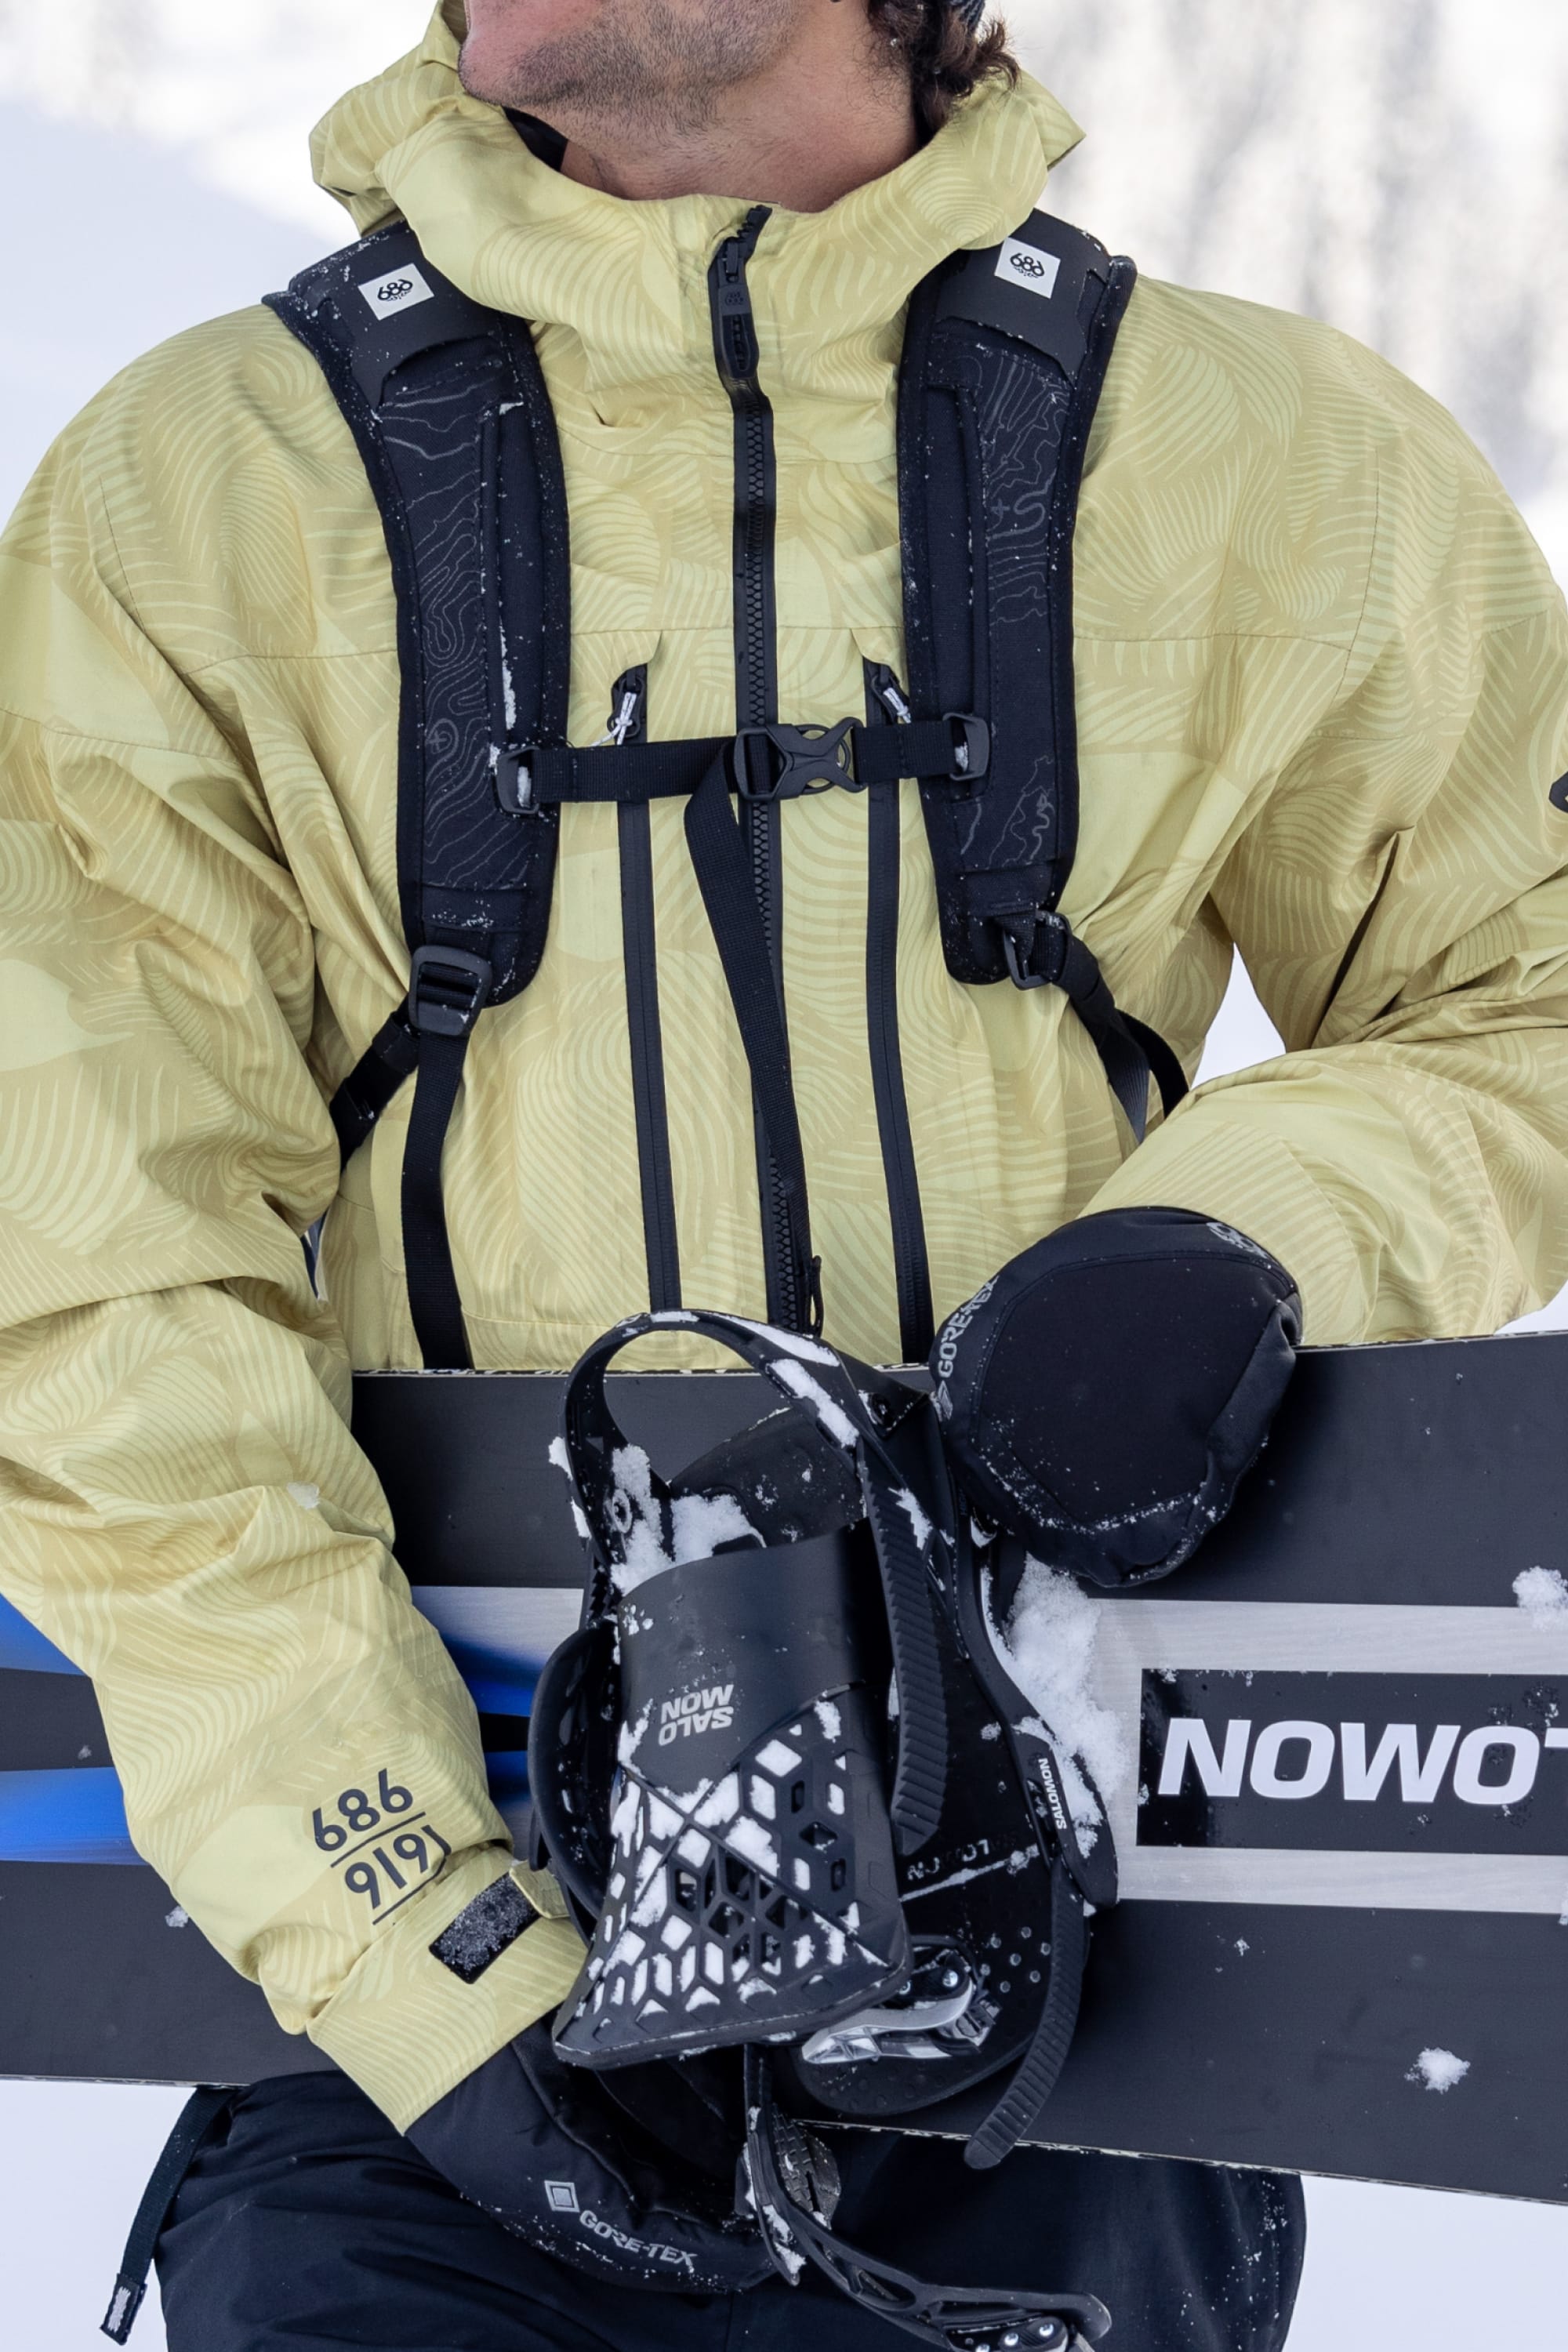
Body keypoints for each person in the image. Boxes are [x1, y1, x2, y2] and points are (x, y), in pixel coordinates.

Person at [2, 2, 1566, 2346]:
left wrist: (1246, 1240)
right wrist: (432, 1960)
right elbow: (86, 1284)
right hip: (420, 2065)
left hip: (1068, 2026)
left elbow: (1522, 991)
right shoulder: (199, 495)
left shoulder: (1255, 458)